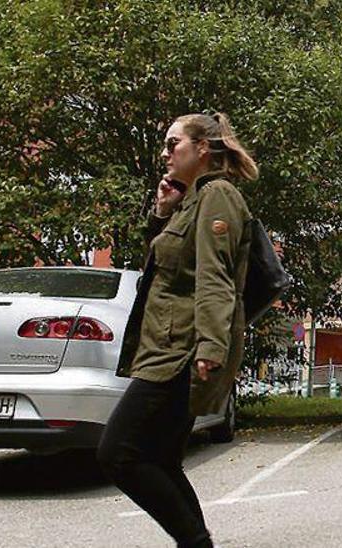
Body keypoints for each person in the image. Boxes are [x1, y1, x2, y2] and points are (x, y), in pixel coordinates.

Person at [97, 111, 258, 547]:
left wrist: (210, 346)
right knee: (162, 459)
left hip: (180, 352)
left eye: (174, 144)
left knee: (119, 454)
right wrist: (162, 214)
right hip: (165, 346)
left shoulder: (218, 196)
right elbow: (167, 271)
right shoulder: (190, 202)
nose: (165, 153)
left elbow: (215, 278)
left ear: (202, 149)